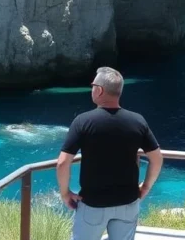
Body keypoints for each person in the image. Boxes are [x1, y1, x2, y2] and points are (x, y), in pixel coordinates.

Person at [56, 67, 163, 240]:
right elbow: (156, 159)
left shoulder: (83, 121)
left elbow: (62, 163)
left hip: (93, 204)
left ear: (99, 90)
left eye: (93, 85)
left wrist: (65, 193)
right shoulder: (138, 121)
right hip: (128, 202)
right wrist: (145, 187)